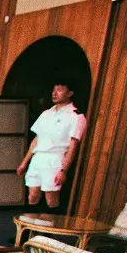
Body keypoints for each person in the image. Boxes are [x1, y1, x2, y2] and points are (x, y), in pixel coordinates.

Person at [16, 79, 87, 212]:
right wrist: (24, 162)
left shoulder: (76, 116)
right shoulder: (46, 114)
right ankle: (29, 230)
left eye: (59, 90)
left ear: (70, 93)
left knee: (51, 198)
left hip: (55, 158)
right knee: (32, 195)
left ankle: (48, 232)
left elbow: (73, 145)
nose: (55, 93)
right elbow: (37, 139)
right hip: (39, 158)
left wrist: (63, 171)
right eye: (54, 90)